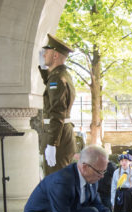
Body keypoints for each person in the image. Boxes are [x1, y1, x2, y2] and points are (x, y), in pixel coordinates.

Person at [39, 34, 76, 176]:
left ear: (55, 55)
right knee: (57, 180)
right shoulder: (61, 75)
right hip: (61, 135)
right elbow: (47, 79)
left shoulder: (57, 79)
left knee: (56, 182)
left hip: (58, 138)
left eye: (46, 53)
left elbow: (57, 112)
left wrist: (52, 143)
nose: (43, 56)